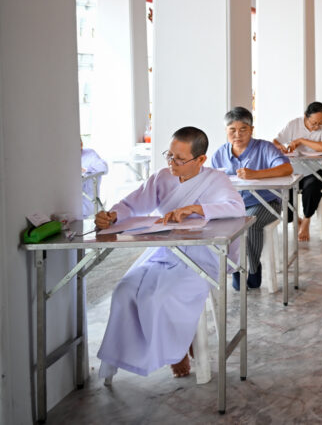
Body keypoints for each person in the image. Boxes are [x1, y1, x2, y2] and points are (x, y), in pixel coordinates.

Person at [93, 127, 245, 381]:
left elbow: (236, 207)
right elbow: (132, 204)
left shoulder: (216, 180)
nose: (172, 163)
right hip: (164, 252)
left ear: (201, 159)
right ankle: (151, 351)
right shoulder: (162, 178)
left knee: (159, 296)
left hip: (200, 257)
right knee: (124, 292)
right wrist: (112, 215)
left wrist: (195, 208)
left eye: (179, 159)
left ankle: (177, 350)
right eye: (169, 155)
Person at [210, 107, 293, 290]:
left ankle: (252, 269)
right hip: (232, 206)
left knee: (249, 223)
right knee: (218, 226)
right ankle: (234, 268)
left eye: (243, 129)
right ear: (226, 131)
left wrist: (256, 174)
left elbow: (287, 169)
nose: (237, 134)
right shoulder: (220, 154)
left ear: (251, 130)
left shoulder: (265, 148)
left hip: (266, 203)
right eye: (232, 130)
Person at [273, 102, 322, 242]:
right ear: (305, 117)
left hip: (317, 169)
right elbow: (276, 141)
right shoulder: (294, 124)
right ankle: (295, 219)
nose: (317, 127)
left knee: (311, 188)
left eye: (320, 123)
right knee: (282, 191)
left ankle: (306, 220)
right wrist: (280, 147)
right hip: (294, 170)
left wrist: (301, 140)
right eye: (314, 123)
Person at [81, 140, 108, 216]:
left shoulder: (89, 153)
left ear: (81, 144)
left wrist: (85, 169)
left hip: (86, 201)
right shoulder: (65, 156)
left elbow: (104, 168)